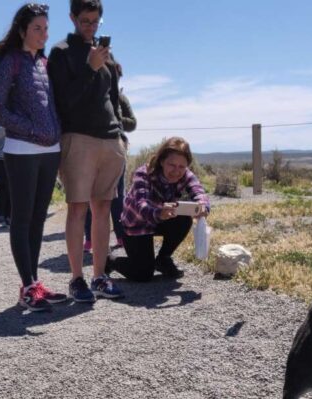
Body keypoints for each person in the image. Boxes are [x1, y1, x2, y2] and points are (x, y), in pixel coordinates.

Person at [0, 3, 67, 312]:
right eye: (37, 28)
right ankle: (28, 286)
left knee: (37, 219)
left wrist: (55, 133)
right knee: (21, 219)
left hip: (50, 151)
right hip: (21, 150)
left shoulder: (44, 63)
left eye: (46, 28)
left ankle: (32, 284)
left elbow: (53, 106)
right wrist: (34, 130)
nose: (43, 34)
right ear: (22, 30)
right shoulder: (9, 62)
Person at [48, 0, 125, 303]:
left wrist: (119, 130)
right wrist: (89, 69)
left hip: (109, 138)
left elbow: (113, 97)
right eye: (84, 21)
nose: (90, 27)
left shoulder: (106, 55)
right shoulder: (61, 52)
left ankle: (100, 277)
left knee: (103, 207)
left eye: (95, 22)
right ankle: (77, 279)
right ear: (72, 18)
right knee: (78, 207)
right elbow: (64, 100)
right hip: (78, 137)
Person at [106, 137, 210, 282]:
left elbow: (198, 191)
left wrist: (203, 206)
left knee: (184, 219)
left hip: (160, 219)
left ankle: (163, 259)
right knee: (142, 273)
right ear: (162, 162)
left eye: (182, 167)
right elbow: (141, 205)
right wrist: (159, 212)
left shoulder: (186, 174)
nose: (176, 171)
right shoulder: (143, 173)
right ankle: (110, 260)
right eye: (171, 165)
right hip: (137, 224)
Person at [84, 73, 136, 252]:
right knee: (89, 195)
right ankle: (90, 238)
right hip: (90, 148)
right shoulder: (88, 93)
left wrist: (115, 117)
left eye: (116, 76)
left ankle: (121, 236)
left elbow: (133, 123)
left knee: (117, 195)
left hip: (116, 147)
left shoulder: (121, 99)